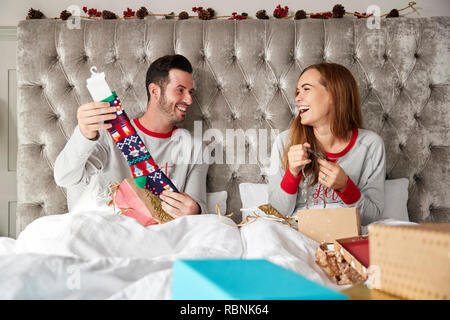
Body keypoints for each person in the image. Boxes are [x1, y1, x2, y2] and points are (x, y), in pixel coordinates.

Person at [54, 54, 208, 218]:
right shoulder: (110, 134)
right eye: (180, 90)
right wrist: (83, 135)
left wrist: (194, 209)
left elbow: (199, 207)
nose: (190, 100)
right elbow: (65, 178)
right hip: (111, 230)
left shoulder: (195, 149)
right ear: (154, 91)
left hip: (163, 234)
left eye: (190, 92)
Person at [268, 62, 386, 226]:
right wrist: (292, 173)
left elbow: (371, 217)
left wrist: (345, 187)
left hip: (346, 232)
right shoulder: (284, 142)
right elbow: (277, 214)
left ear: (335, 95)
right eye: (297, 91)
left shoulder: (371, 145)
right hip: (298, 234)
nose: (297, 97)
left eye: (306, 89)